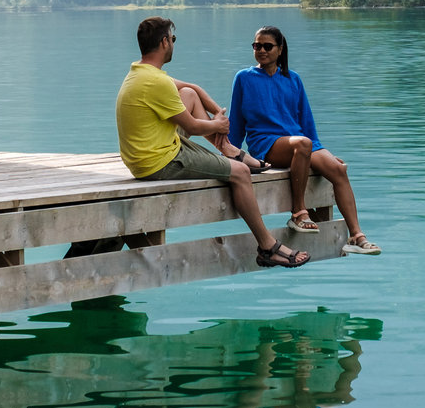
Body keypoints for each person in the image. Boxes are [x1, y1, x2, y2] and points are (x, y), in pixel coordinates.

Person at [116, 17, 309, 269]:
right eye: (172, 39)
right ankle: (267, 246)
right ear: (164, 42)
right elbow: (194, 127)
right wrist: (219, 125)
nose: (173, 44)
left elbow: (192, 89)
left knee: (188, 94)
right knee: (240, 173)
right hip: (157, 162)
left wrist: (219, 116)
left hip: (149, 152)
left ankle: (229, 149)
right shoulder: (157, 83)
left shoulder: (140, 72)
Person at [229, 26, 380, 254]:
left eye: (267, 46)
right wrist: (231, 154)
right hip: (266, 145)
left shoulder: (293, 79)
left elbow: (306, 123)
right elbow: (237, 122)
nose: (261, 50)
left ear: (280, 50)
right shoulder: (244, 78)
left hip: (299, 143)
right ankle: (299, 212)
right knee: (302, 144)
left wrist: (320, 152)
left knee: (337, 168)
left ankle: (356, 237)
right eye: (256, 46)